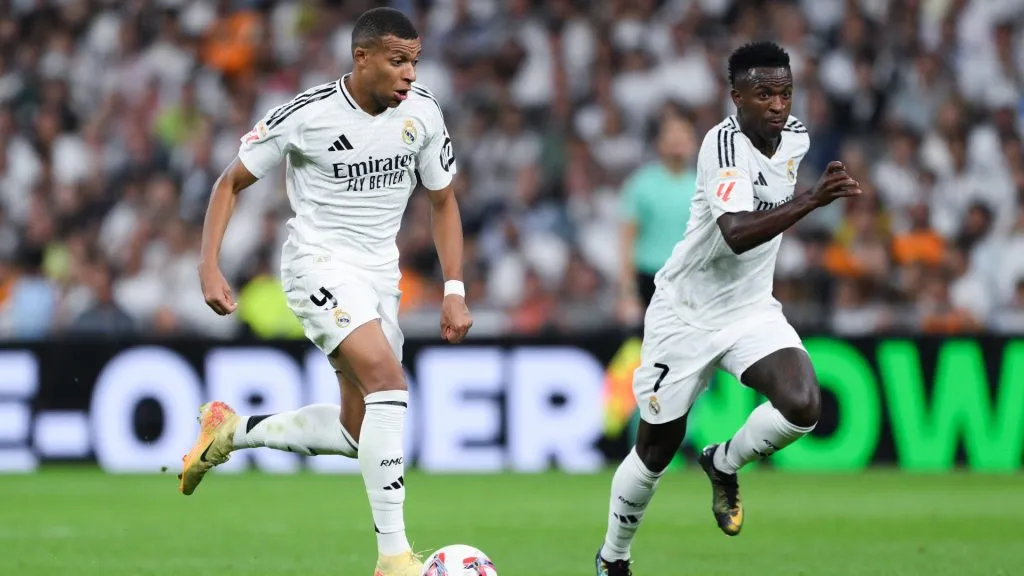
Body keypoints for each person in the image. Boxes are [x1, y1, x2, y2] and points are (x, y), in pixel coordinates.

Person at [179, 8, 472, 576]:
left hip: (379, 278)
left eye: (414, 61)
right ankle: (394, 558)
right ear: (362, 58)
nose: (410, 74)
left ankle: (231, 432)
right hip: (317, 267)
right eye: (397, 61)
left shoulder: (424, 113)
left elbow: (443, 201)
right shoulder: (308, 115)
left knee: (357, 432)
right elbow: (229, 182)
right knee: (390, 381)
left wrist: (454, 288)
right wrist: (208, 265)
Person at [594, 42, 861, 576]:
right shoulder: (721, 146)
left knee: (804, 404)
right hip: (684, 312)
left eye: (785, 92)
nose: (778, 104)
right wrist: (811, 200)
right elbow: (736, 233)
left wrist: (810, 196)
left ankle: (723, 461)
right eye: (764, 93)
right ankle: (613, 557)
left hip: (750, 309)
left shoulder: (798, 139)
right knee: (654, 452)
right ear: (736, 96)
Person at [617, 114, 698, 323]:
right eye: (672, 134)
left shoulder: (702, 185)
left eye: (683, 134)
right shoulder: (641, 184)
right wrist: (627, 293)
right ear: (659, 143)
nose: (678, 139)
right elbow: (627, 239)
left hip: (690, 281)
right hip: (649, 279)